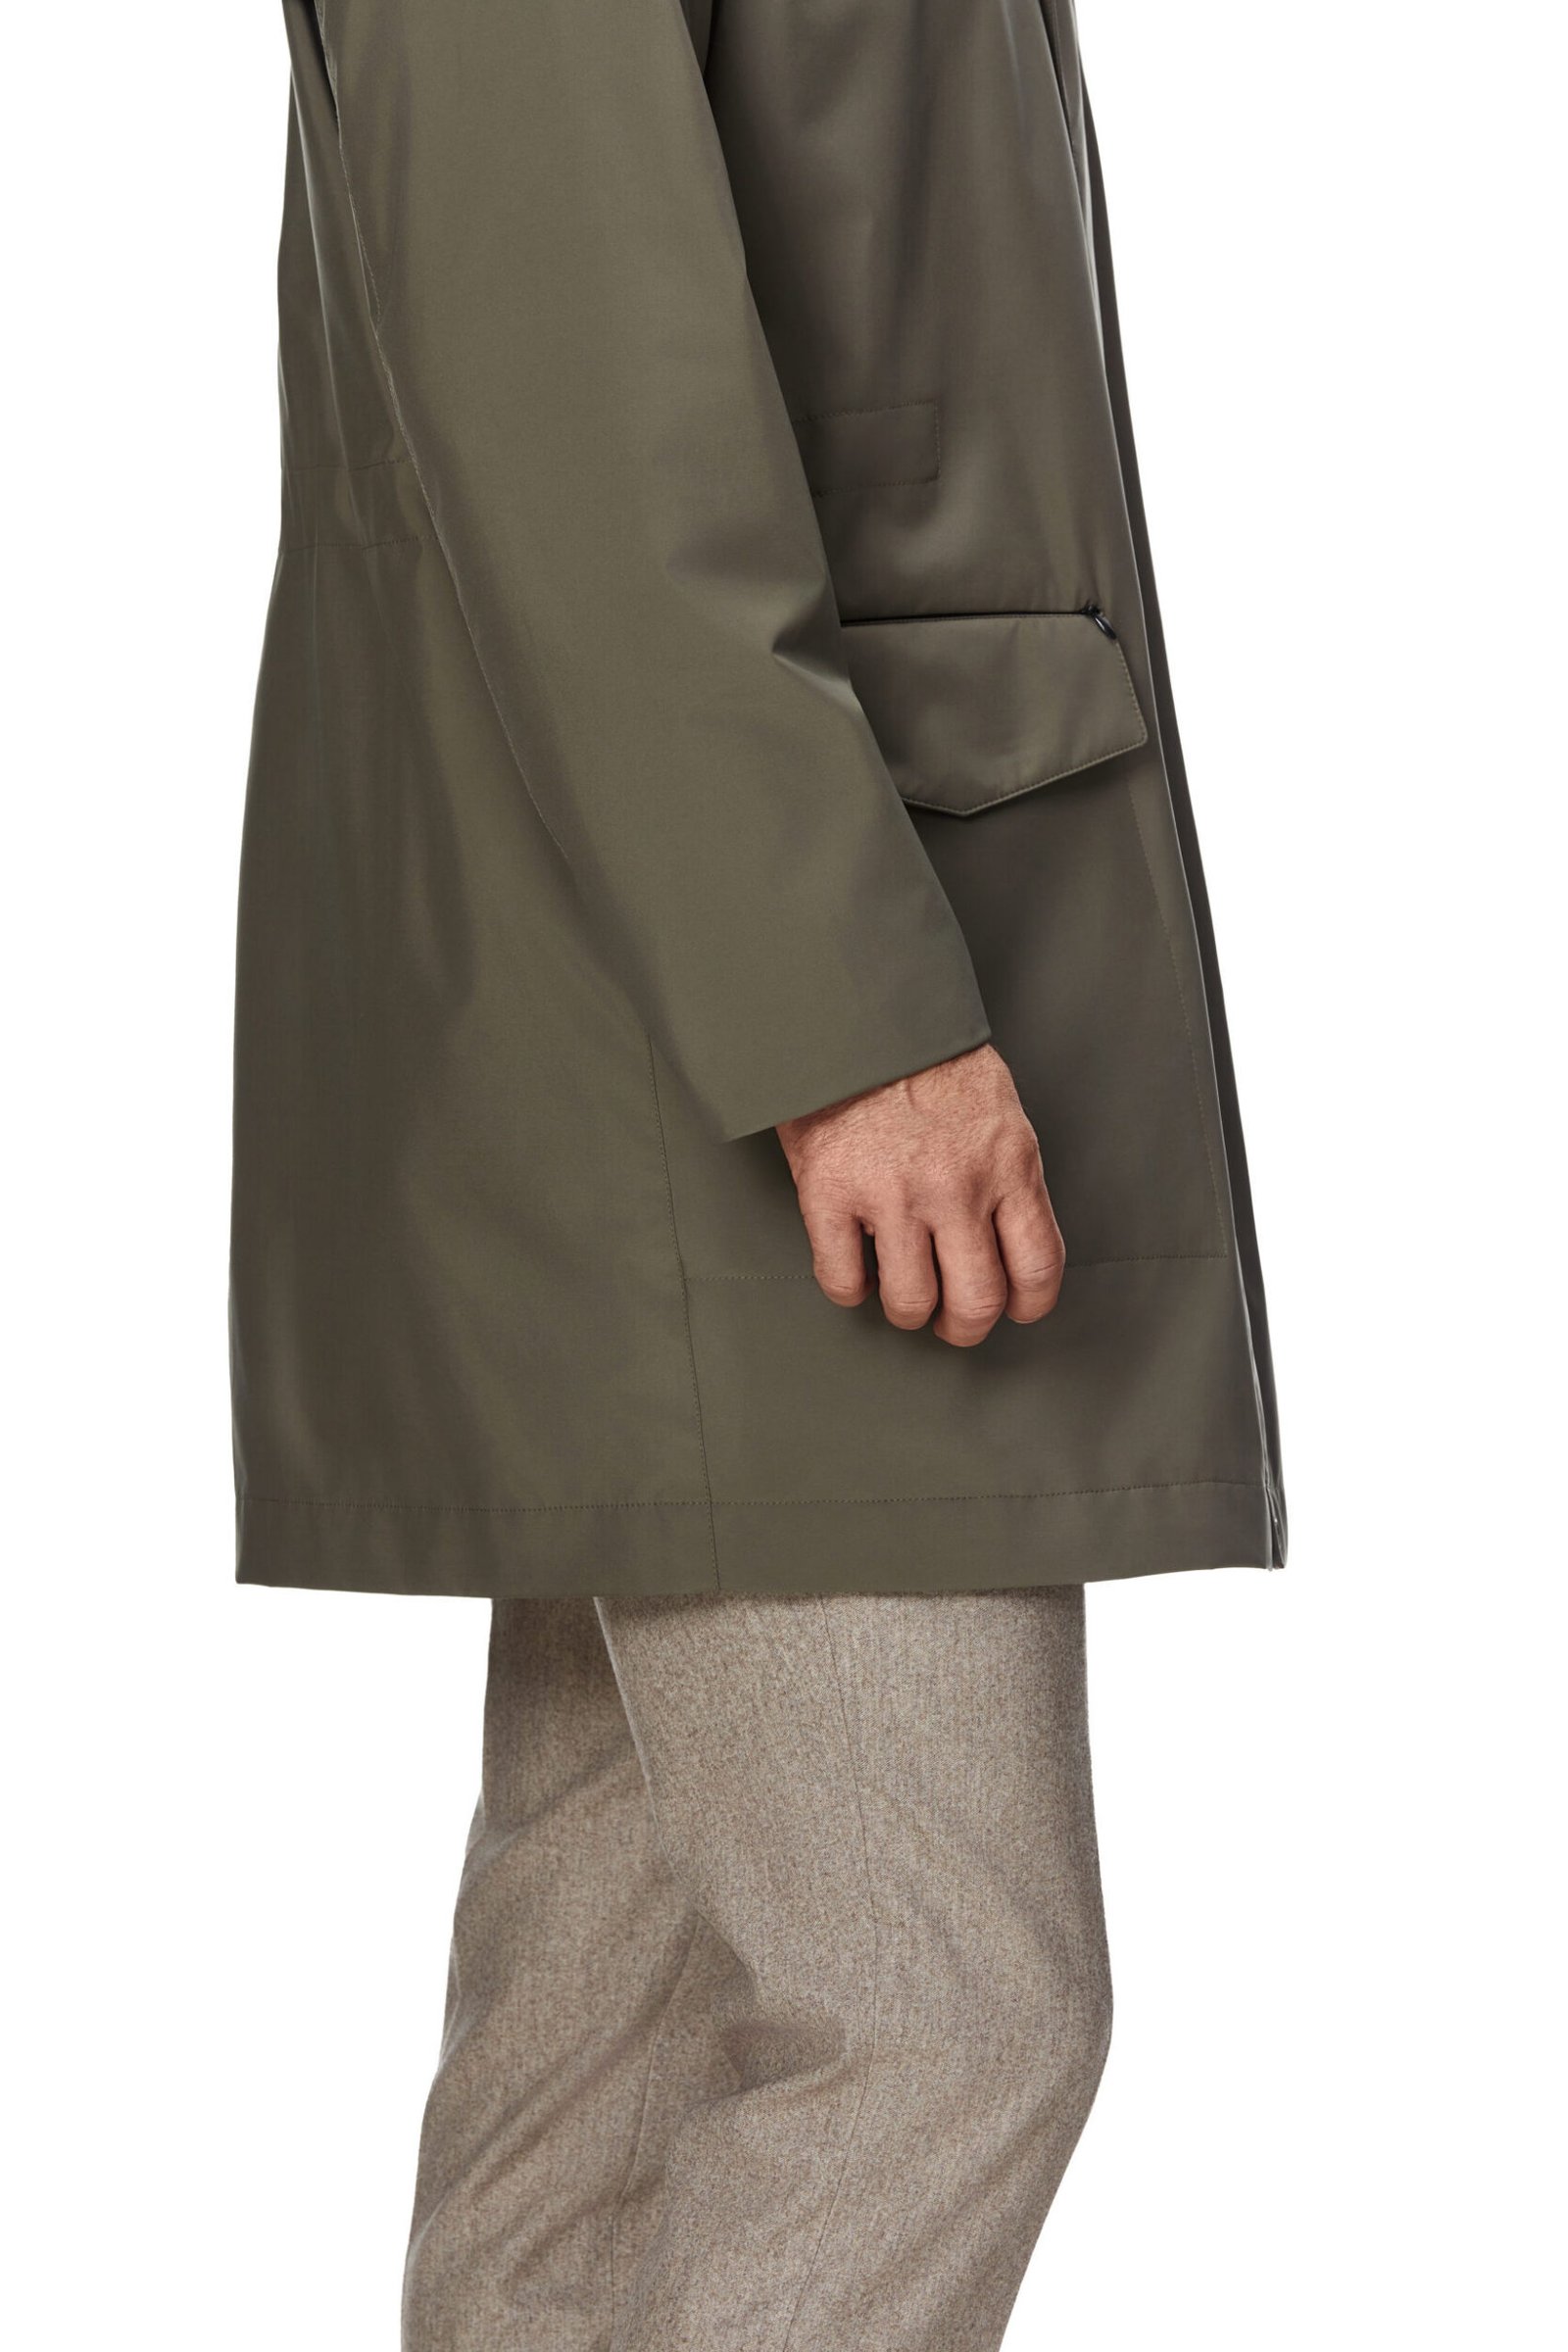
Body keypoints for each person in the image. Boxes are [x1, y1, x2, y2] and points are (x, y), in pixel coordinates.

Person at [231, 3, 1285, 2345]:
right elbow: (570, 391)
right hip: (731, 1027)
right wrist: (842, 1021)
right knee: (941, 2017)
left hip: (704, 987)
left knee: (601, 2052)